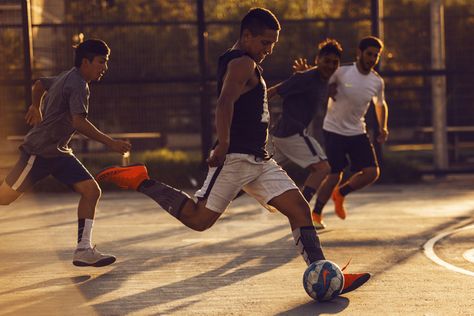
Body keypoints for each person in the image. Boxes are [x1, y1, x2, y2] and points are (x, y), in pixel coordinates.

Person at [96, 8, 370, 294]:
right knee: (199, 220)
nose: (269, 49)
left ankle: (325, 276)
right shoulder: (242, 64)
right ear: (246, 35)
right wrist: (223, 144)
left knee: (300, 210)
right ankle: (141, 180)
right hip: (235, 158)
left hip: (259, 160)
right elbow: (225, 101)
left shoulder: (245, 63)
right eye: (265, 43)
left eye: (273, 44)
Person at [0, 39, 131, 267]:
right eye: (101, 62)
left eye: (105, 63)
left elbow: (39, 84)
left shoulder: (67, 76)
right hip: (38, 152)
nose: (104, 68)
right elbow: (78, 122)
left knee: (91, 191)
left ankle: (83, 249)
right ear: (85, 62)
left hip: (58, 153)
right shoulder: (78, 84)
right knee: (4, 198)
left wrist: (35, 106)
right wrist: (110, 142)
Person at [266, 38, 343, 229]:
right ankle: (301, 212)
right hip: (291, 133)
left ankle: (213, 203)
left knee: (251, 174)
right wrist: (248, 106)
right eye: (327, 61)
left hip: (280, 135)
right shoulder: (305, 78)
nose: (331, 65)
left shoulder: (320, 79)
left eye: (335, 62)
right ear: (318, 59)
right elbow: (273, 91)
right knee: (323, 168)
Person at [312, 36, 389, 224]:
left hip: (357, 131)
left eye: (376, 56)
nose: (372, 59)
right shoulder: (341, 71)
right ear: (359, 53)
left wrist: (383, 127)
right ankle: (316, 214)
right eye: (369, 54)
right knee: (334, 174)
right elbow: (320, 79)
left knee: (372, 172)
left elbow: (381, 104)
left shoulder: (376, 82)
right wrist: (326, 91)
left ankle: (340, 193)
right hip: (333, 129)